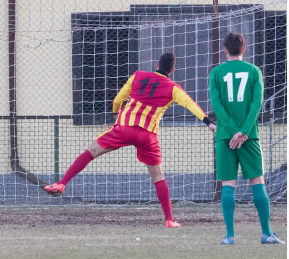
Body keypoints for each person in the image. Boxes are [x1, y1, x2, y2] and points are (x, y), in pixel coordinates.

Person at [45, 52, 216, 227]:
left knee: (91, 152)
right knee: (158, 176)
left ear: (156, 65)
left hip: (124, 127)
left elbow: (118, 100)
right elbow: (190, 105)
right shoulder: (173, 88)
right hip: (147, 135)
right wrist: (208, 123)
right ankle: (169, 219)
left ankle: (61, 184)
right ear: (172, 70)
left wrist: (115, 114)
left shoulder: (137, 76)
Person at [209, 31, 284, 245]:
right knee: (257, 182)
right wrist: (243, 131)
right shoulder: (254, 71)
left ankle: (230, 236)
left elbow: (217, 106)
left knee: (227, 185)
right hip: (249, 137)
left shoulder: (216, 73)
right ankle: (267, 233)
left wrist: (233, 131)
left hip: (225, 137)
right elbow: (256, 105)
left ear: (225, 50)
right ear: (244, 49)